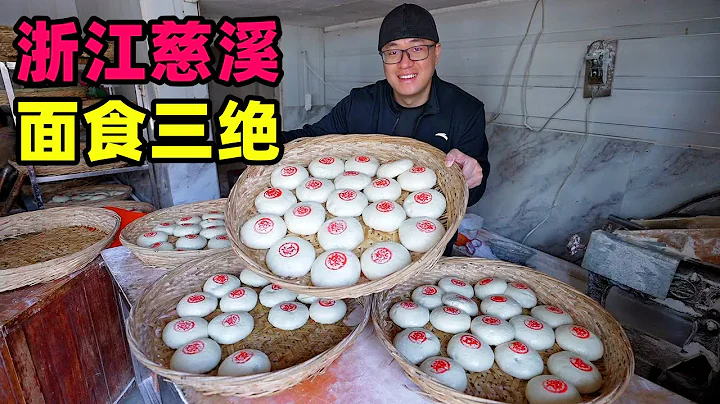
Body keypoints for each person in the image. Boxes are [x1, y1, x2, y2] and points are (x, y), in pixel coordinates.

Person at [281, 3, 490, 256]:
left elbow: (474, 189)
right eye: (393, 52)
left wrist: (470, 178)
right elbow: (311, 139)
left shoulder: (465, 110)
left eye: (417, 49)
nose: (404, 63)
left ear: (436, 53)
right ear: (383, 58)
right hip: (356, 246)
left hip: (428, 248)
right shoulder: (359, 103)